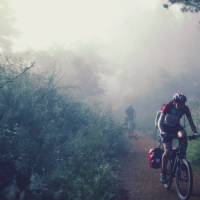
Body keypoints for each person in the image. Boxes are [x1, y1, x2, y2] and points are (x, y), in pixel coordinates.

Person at [158, 93, 198, 184]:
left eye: (183, 103)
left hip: (176, 127)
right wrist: (162, 132)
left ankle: (182, 159)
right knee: (167, 151)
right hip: (166, 128)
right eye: (179, 103)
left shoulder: (185, 108)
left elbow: (191, 122)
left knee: (183, 136)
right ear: (174, 102)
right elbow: (160, 122)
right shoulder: (168, 106)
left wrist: (195, 132)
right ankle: (163, 174)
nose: (181, 105)